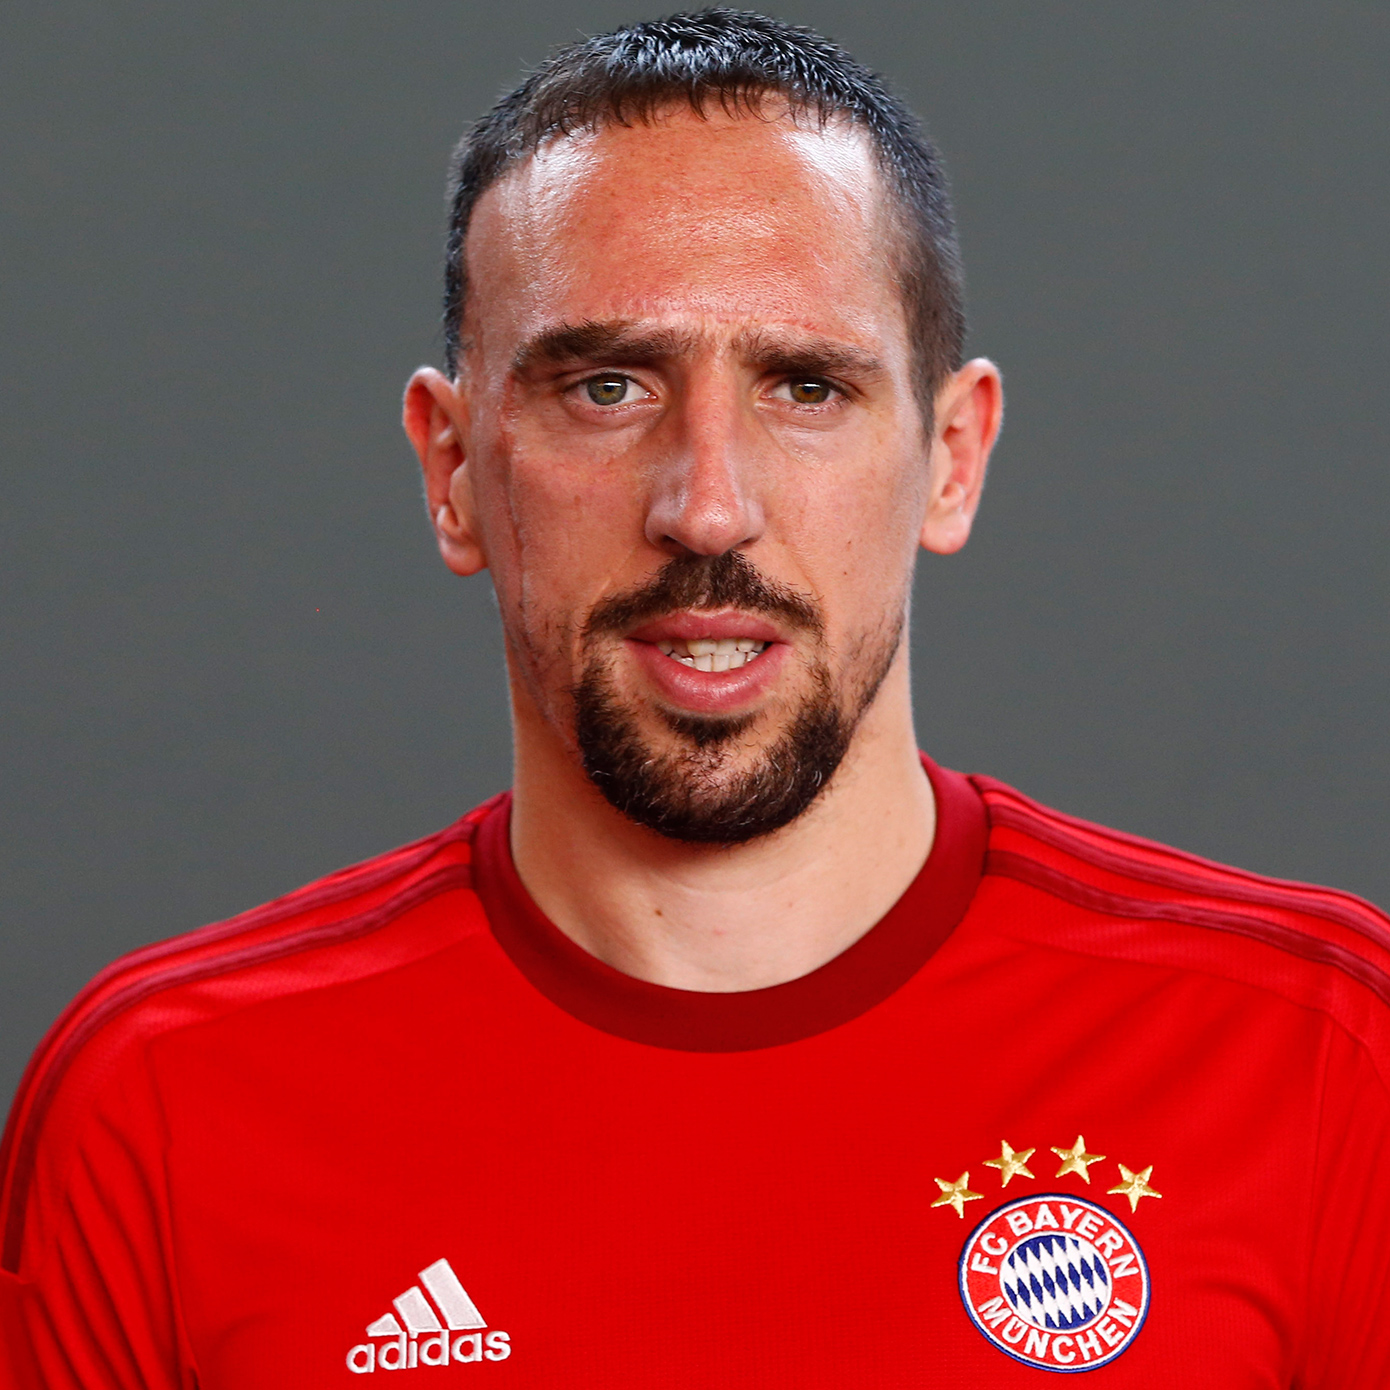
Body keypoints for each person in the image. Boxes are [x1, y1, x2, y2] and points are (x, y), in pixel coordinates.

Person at [3, 9, 1388, 1387]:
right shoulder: (165, 1102)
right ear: (452, 468)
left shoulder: (1317, 1053)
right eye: (606, 386)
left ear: (952, 456)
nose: (707, 506)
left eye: (805, 386)